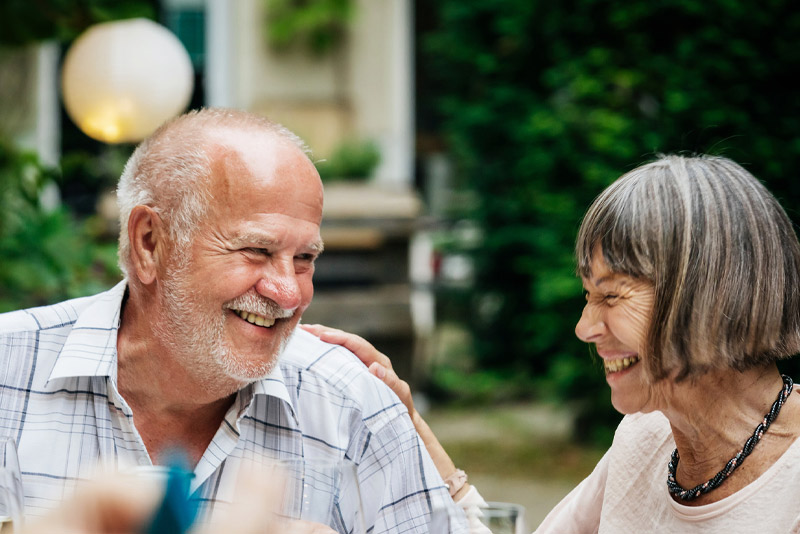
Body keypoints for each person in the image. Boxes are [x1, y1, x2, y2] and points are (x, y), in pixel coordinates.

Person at [0, 108, 466, 533]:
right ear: (149, 243)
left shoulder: (352, 404)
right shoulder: (8, 369)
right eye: (256, 251)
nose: (288, 292)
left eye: (304, 258)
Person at [304, 154, 800, 532]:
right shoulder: (646, 436)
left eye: (611, 295)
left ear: (709, 294)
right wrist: (409, 424)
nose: (585, 327)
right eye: (588, 295)